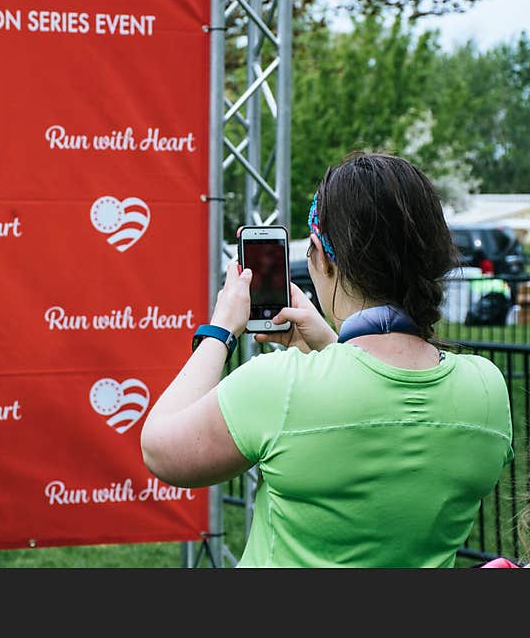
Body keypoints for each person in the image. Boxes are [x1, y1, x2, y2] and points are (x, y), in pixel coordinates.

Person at [141, 152, 514, 567]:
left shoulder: (282, 385)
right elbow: (384, 405)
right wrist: (332, 347)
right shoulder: (486, 390)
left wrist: (220, 330)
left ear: (319, 254)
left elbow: (161, 451)